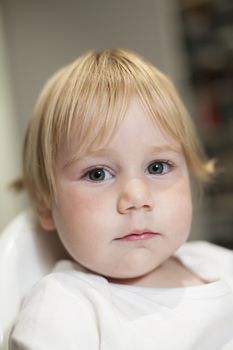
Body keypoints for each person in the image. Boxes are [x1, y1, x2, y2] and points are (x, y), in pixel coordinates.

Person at [9, 49, 233, 350]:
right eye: (98, 174)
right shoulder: (67, 308)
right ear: (45, 204)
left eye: (157, 167)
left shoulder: (216, 262)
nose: (137, 198)